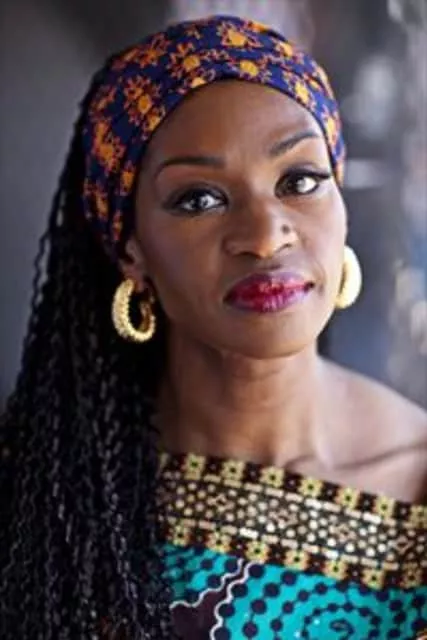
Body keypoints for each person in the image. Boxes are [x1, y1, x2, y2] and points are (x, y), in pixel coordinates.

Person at [0, 13, 426, 640]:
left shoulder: (416, 486)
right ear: (132, 250)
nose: (265, 235)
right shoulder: (42, 491)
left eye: (300, 181)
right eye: (199, 199)